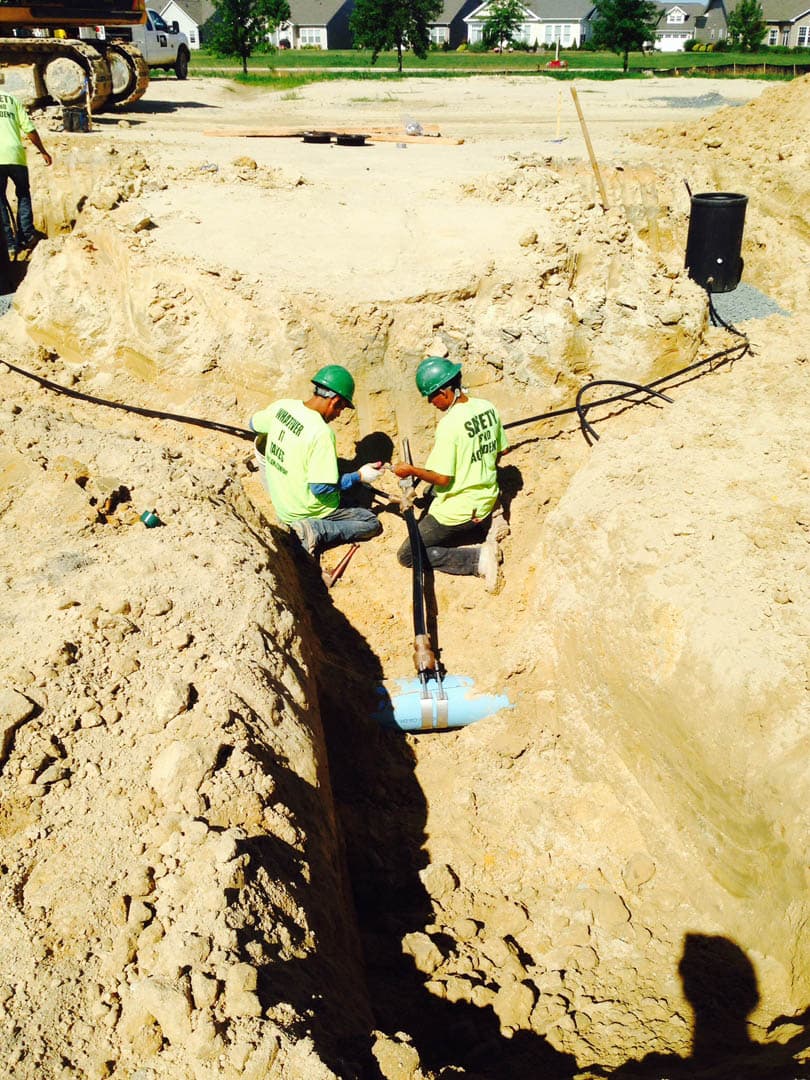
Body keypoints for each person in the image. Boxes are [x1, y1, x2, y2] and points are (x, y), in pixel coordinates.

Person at [393, 357, 508, 592]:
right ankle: (491, 516)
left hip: (460, 512)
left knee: (407, 555)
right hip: (487, 497)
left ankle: (478, 559)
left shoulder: (449, 425)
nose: (430, 402)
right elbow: (501, 450)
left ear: (445, 392)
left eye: (431, 396)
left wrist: (411, 470)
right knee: (429, 491)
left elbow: (443, 478)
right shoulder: (487, 407)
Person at [250, 364, 384, 557]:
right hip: (302, 511)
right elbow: (321, 488)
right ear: (335, 401)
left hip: (282, 500)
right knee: (370, 522)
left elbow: (253, 424)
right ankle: (313, 530)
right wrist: (359, 476)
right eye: (341, 409)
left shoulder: (285, 406)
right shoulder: (321, 433)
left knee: (350, 496)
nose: (338, 415)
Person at [0, 75, 52, 259]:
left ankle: (9, 243)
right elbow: (29, 129)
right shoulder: (12, 100)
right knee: (23, 194)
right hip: (16, 155)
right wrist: (43, 151)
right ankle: (27, 235)